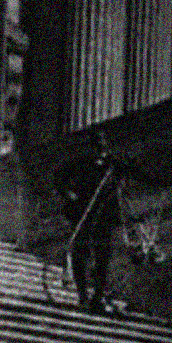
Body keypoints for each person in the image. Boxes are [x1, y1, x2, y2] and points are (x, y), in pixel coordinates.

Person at [53, 133, 119, 313]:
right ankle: (82, 294)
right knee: (80, 254)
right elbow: (59, 176)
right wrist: (68, 193)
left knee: (102, 257)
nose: (101, 150)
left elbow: (135, 172)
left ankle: (98, 296)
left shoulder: (113, 165)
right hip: (83, 214)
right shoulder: (82, 163)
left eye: (103, 147)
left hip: (104, 217)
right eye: (97, 146)